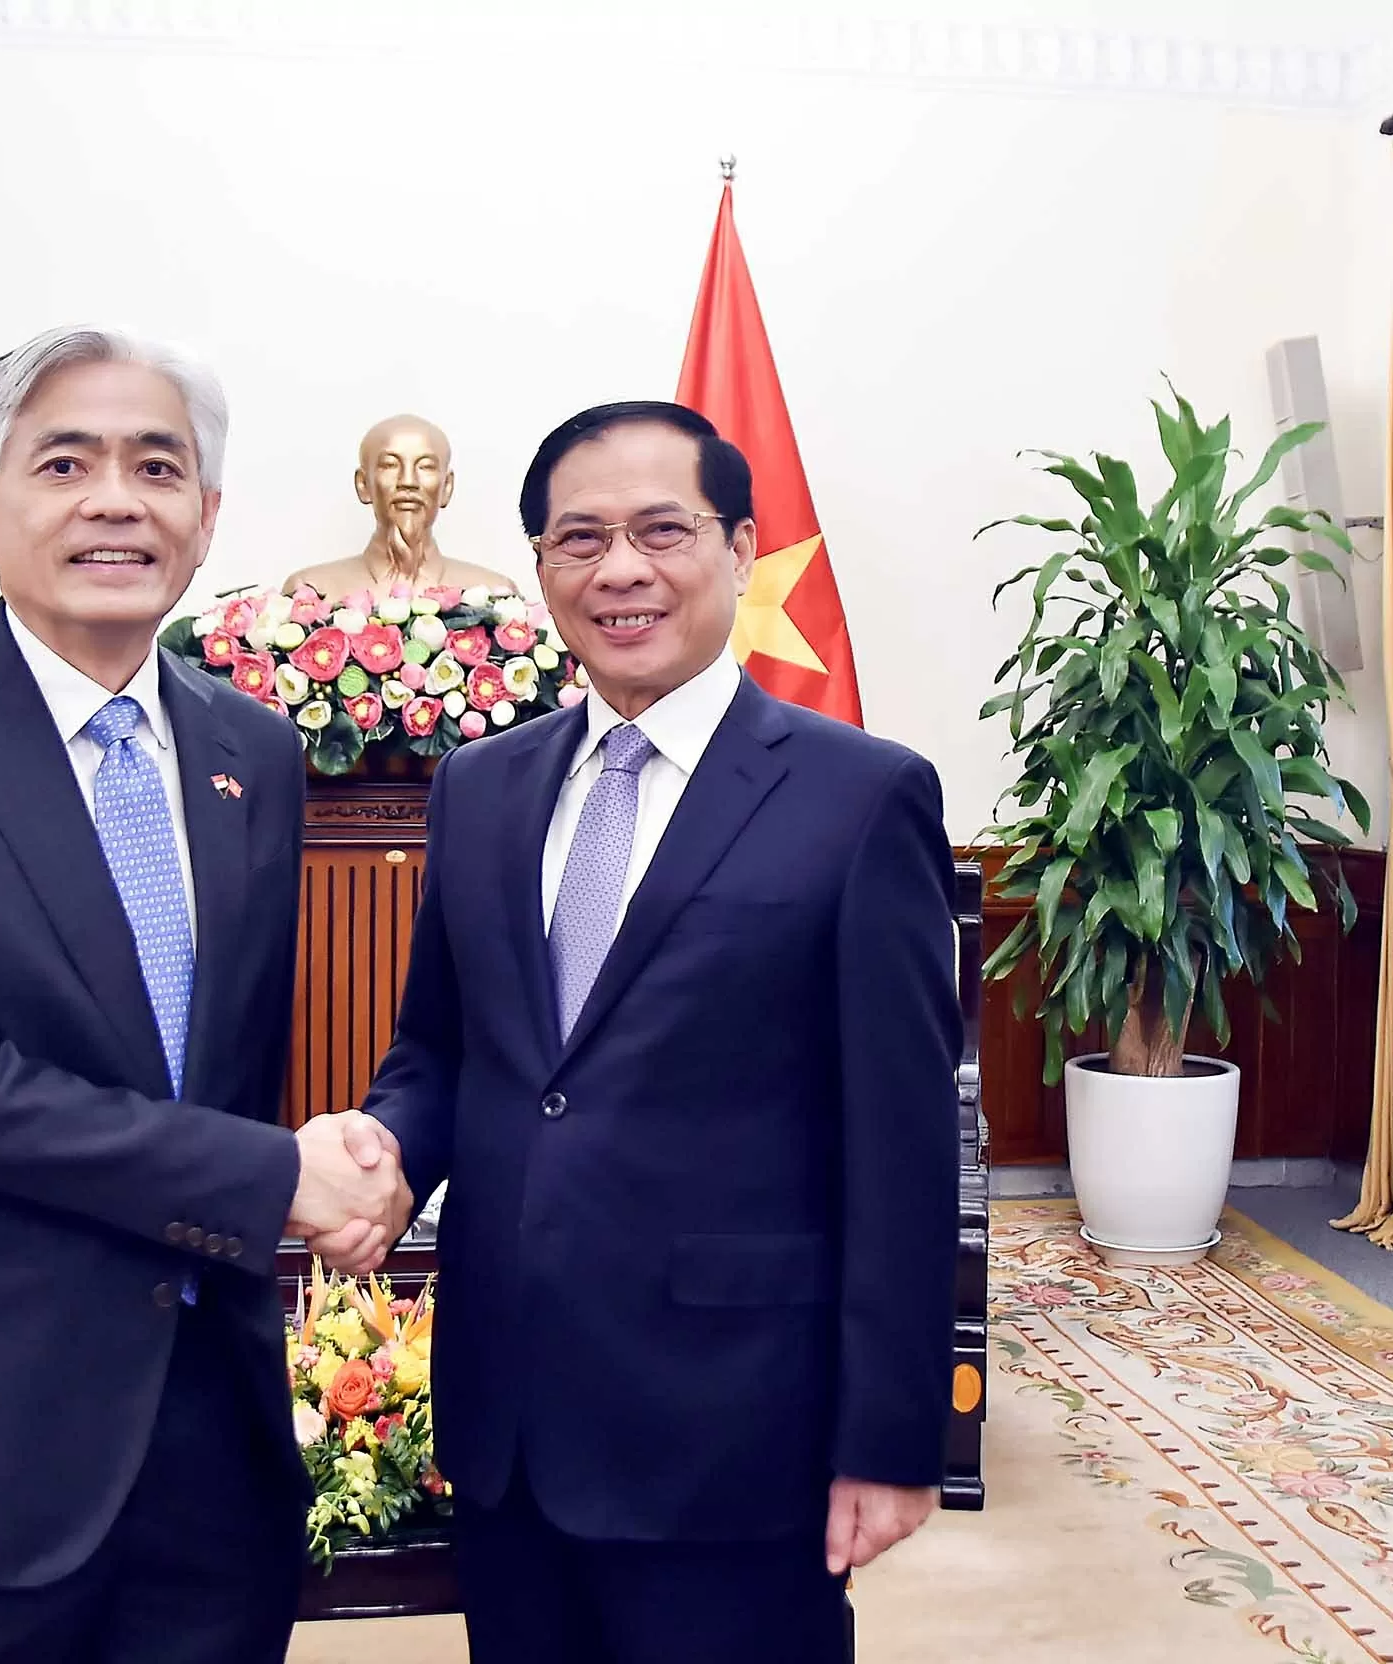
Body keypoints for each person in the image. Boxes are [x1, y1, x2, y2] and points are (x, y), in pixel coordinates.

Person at [0, 326, 408, 1664]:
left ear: (205, 519)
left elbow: (218, 1064)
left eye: (157, 467)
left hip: (209, 1430)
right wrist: (274, 1177)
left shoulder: (256, 750)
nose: (117, 499)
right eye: (64, 462)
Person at [334, 401, 962, 1662]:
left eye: (661, 530)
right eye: (579, 539)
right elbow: (445, 1051)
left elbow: (902, 1149)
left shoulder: (859, 795)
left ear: (738, 549)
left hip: (737, 1430)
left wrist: (891, 1438)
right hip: (510, 1418)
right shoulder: (482, 786)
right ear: (542, 569)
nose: (620, 569)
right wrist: (387, 1150)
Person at [278, 414, 517, 600]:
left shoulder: (496, 594)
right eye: (390, 465)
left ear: (447, 487)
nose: (408, 481)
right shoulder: (310, 593)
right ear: (363, 484)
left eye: (426, 466)